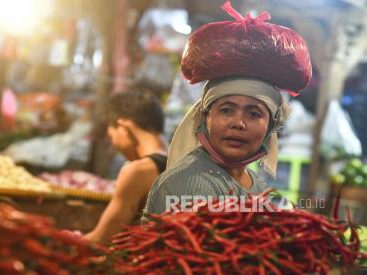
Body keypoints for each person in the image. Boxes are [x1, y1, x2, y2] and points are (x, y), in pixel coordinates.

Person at [143, 77, 291, 215]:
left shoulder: (256, 183)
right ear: (204, 117)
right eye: (226, 110)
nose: (238, 123)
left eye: (253, 114)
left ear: (271, 127)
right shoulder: (190, 182)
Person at [84, 90, 167, 244]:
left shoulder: (139, 170)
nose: (114, 145)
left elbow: (102, 238)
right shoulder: (180, 160)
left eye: (111, 137)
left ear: (123, 127)